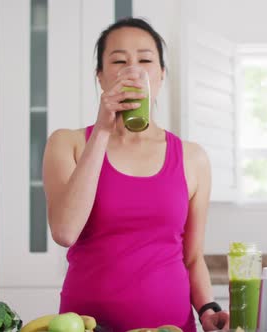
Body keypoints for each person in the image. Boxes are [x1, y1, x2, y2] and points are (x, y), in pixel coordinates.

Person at [42, 17, 229, 332]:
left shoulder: (192, 158)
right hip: (86, 326)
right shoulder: (68, 143)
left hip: (172, 326)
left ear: (160, 75)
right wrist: (102, 129)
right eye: (118, 61)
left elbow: (193, 256)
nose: (134, 70)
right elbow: (64, 232)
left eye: (145, 60)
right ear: (100, 77)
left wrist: (208, 308)